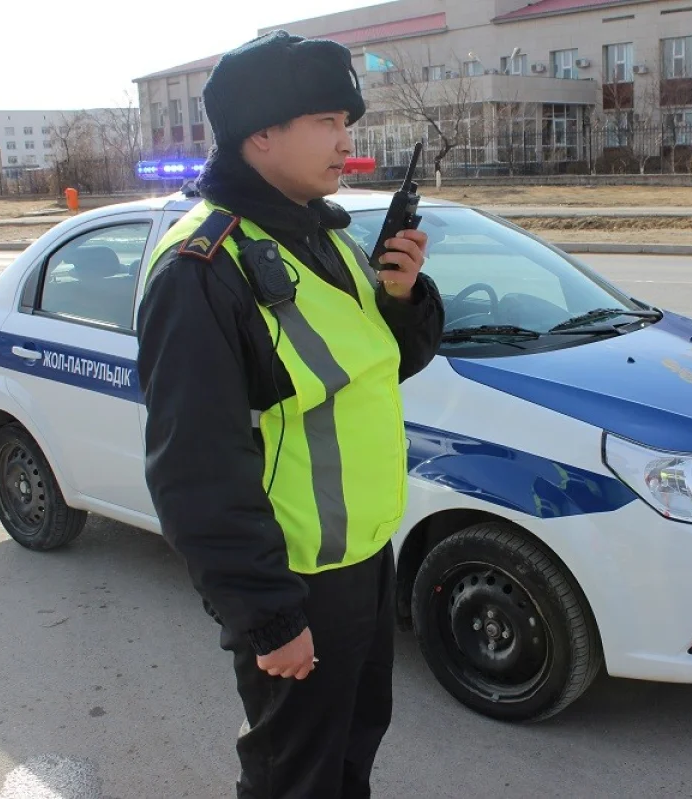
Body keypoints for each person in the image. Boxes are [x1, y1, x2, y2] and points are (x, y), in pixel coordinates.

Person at [135, 30, 445, 799]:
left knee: (350, 753)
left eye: (348, 121)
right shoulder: (202, 268)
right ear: (261, 133)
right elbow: (194, 469)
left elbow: (381, 364)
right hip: (295, 578)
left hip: (364, 560)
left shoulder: (322, 236)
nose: (348, 142)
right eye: (328, 121)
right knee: (292, 777)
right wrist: (267, 617)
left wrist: (402, 298)